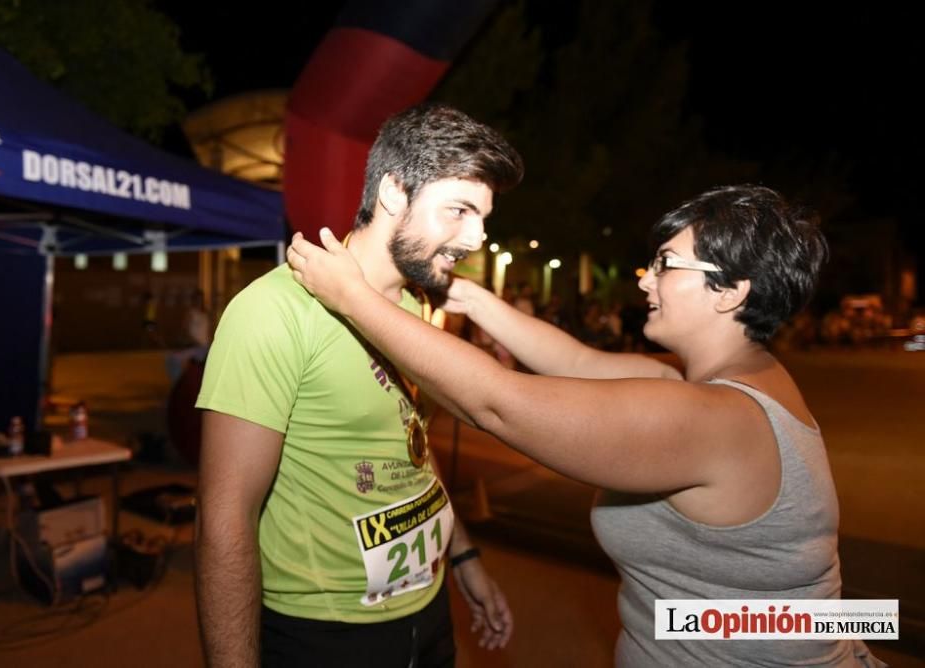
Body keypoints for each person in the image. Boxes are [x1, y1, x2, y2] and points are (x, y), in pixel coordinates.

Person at [287, 185, 884, 667]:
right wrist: (464, 294)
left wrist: (354, 299)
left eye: (665, 265)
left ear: (729, 293)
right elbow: (576, 364)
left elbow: (501, 406)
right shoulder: (723, 385)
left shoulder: (717, 420)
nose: (644, 280)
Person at [195, 104, 524, 667]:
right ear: (394, 192)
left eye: (484, 217)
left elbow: (411, 451)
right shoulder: (275, 310)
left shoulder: (419, 306)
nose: (477, 237)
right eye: (460, 210)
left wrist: (464, 558)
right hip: (323, 634)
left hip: (427, 609)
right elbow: (224, 520)